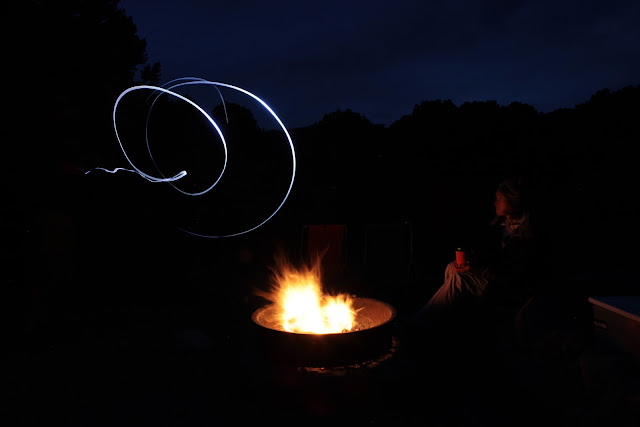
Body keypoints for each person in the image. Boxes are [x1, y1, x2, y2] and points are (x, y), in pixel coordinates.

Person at [412, 175, 546, 337]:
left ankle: (417, 326)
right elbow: (487, 250)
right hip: (492, 276)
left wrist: (477, 269)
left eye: (499, 199)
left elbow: (512, 274)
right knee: (451, 268)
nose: (495, 203)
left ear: (512, 202)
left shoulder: (528, 234)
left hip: (508, 287)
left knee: (459, 280)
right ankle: (445, 320)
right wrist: (471, 259)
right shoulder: (499, 224)